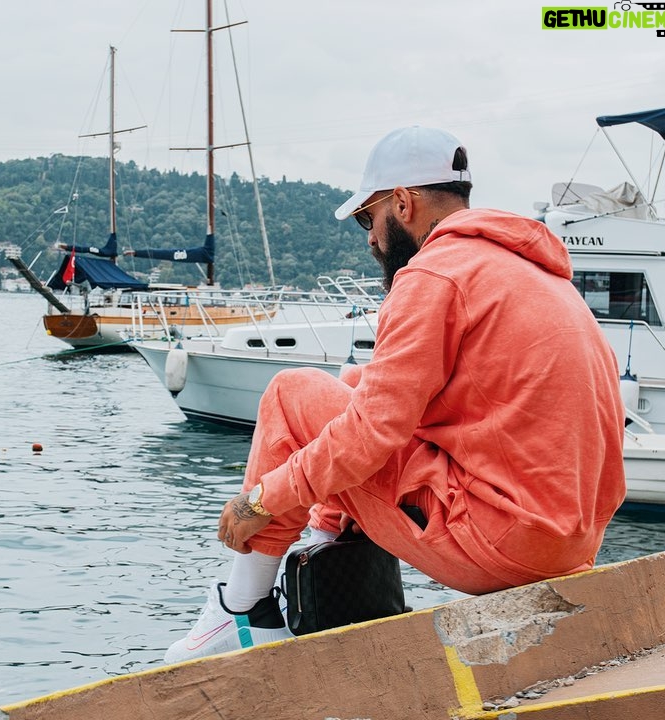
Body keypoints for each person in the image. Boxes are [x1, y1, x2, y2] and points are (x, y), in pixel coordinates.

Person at [163, 126, 626, 664]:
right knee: (355, 385)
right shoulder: (533, 275)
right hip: (570, 545)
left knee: (292, 393)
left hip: (502, 545)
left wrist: (261, 500)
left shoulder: (434, 274)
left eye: (368, 218)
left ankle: (242, 611)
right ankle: (322, 541)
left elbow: (371, 434)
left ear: (402, 204)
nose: (369, 237)